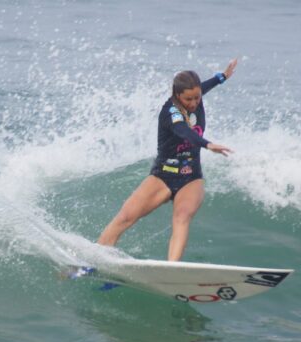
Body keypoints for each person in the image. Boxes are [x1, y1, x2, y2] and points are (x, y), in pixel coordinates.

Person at [97, 59, 238, 261]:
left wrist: (222, 76)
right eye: (188, 99)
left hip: (191, 177)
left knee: (182, 217)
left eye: (197, 98)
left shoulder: (196, 97)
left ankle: (171, 269)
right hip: (163, 176)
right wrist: (207, 144)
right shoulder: (170, 112)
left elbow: (207, 85)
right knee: (126, 217)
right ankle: (94, 259)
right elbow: (184, 131)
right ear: (177, 95)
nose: (194, 103)